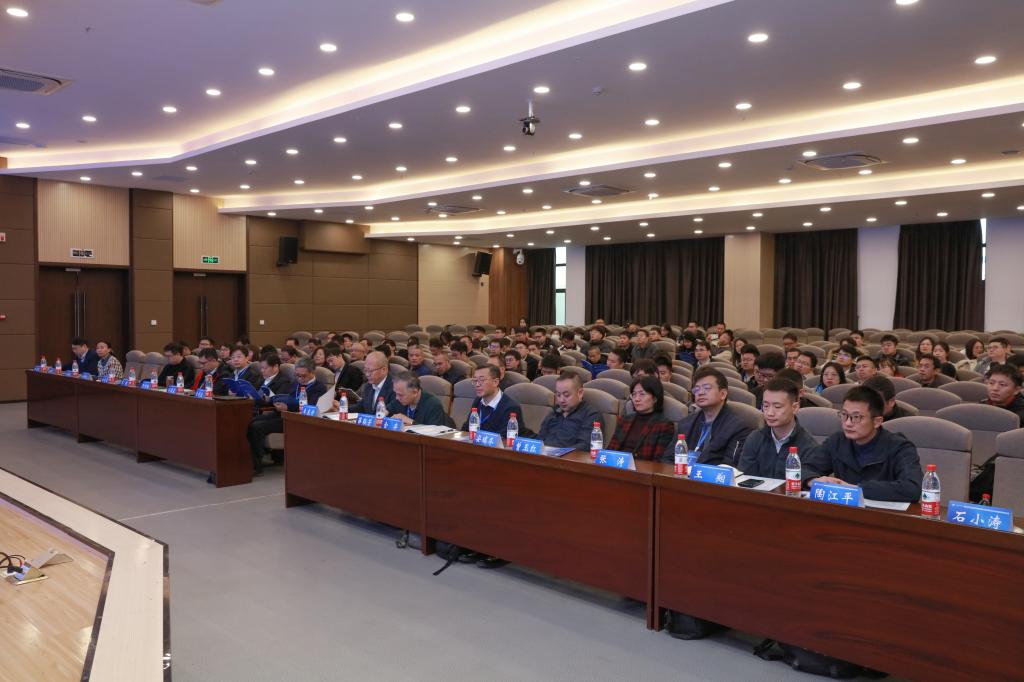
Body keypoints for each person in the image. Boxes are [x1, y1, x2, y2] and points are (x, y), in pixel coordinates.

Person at [806, 386, 922, 502]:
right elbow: (805, 469)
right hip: (843, 509)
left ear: (877, 422)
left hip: (881, 512)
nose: (848, 423)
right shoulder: (837, 441)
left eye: (856, 417)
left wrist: (856, 489)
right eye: (844, 415)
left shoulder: (900, 447)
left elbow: (912, 488)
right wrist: (813, 480)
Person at [246, 358, 326, 475]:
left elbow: (312, 408)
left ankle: (256, 466)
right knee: (250, 421)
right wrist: (271, 400)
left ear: (312, 372)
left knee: (257, 427)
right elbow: (284, 396)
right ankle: (248, 460)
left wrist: (288, 408)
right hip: (280, 413)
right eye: (297, 375)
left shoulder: (319, 388)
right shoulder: (295, 383)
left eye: (303, 376)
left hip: (295, 419)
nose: (300, 378)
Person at [737, 378, 821, 479]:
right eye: (766, 406)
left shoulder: (809, 446)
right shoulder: (755, 438)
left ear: (795, 408)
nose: (770, 413)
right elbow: (744, 478)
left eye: (777, 407)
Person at [668, 367, 752, 466]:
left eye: (707, 388)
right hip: (680, 474)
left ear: (723, 394)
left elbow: (729, 466)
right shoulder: (685, 423)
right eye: (696, 389)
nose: (700, 393)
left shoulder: (737, 428)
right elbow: (668, 458)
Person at [607, 376, 676, 460]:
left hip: (641, 467)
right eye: (634, 394)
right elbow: (610, 450)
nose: (636, 399)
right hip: (616, 465)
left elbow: (658, 461)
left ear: (655, 398)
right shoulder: (625, 420)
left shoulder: (664, 425)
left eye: (642, 394)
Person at [538, 372, 605, 450]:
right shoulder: (554, 412)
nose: (561, 400)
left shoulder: (591, 415)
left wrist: (558, 452)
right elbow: (540, 439)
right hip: (543, 455)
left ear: (580, 393)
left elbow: (584, 446)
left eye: (566, 395)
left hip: (570, 456)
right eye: (558, 395)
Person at [460, 364, 524, 435]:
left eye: (482, 380)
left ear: (495, 382)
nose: (477, 385)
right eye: (475, 380)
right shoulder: (478, 401)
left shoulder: (511, 407)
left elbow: (504, 438)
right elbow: (467, 427)